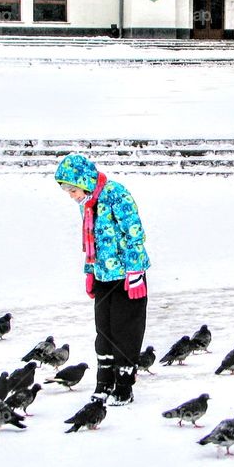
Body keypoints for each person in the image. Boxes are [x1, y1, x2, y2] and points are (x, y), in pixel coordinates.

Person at [55, 154, 150, 406]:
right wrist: (89, 271)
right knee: (104, 331)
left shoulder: (117, 195)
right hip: (102, 275)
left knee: (125, 332)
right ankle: (104, 382)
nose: (72, 196)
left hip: (127, 277)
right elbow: (91, 243)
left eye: (73, 190)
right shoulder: (86, 203)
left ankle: (124, 385)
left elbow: (134, 235)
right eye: (68, 192)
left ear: (84, 182)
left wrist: (135, 272)